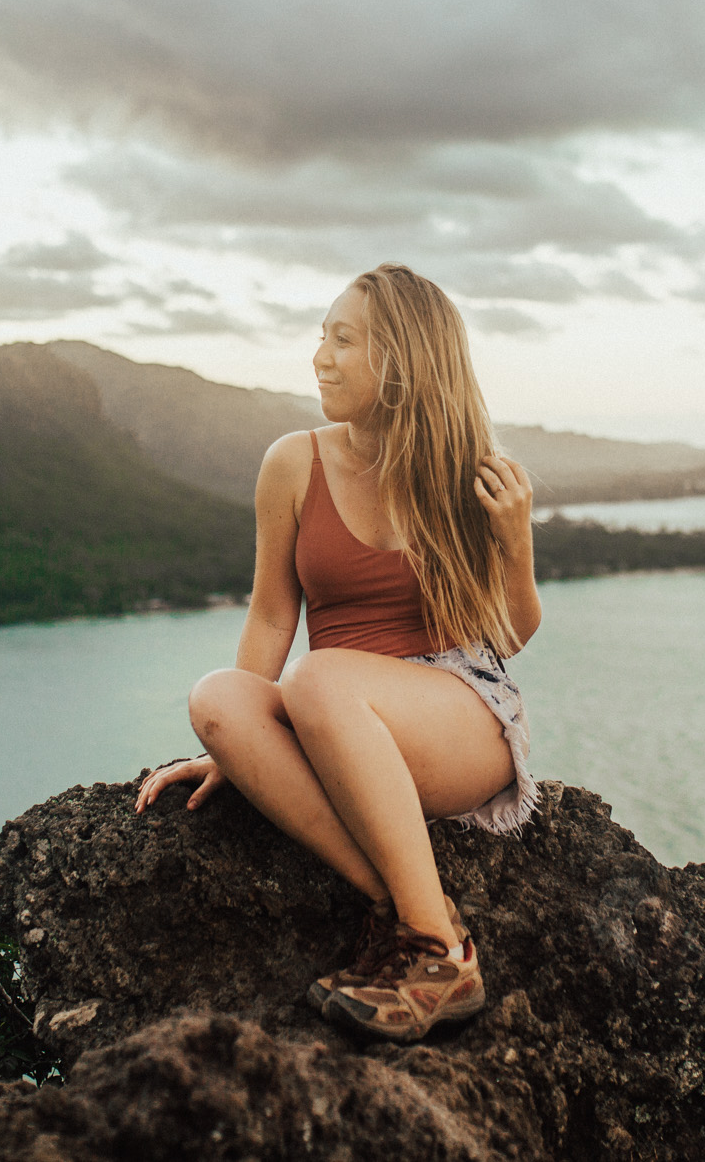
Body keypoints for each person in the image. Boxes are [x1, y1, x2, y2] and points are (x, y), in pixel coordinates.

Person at [134, 263, 541, 1044]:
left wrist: (517, 543)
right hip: (336, 717)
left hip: (458, 713)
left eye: (343, 340)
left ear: (403, 359)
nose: (319, 356)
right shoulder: (293, 463)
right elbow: (271, 615)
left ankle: (441, 956)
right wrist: (234, 750)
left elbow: (511, 636)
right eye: (322, 336)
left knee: (318, 676)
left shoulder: (466, 473)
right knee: (216, 696)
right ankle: (403, 900)